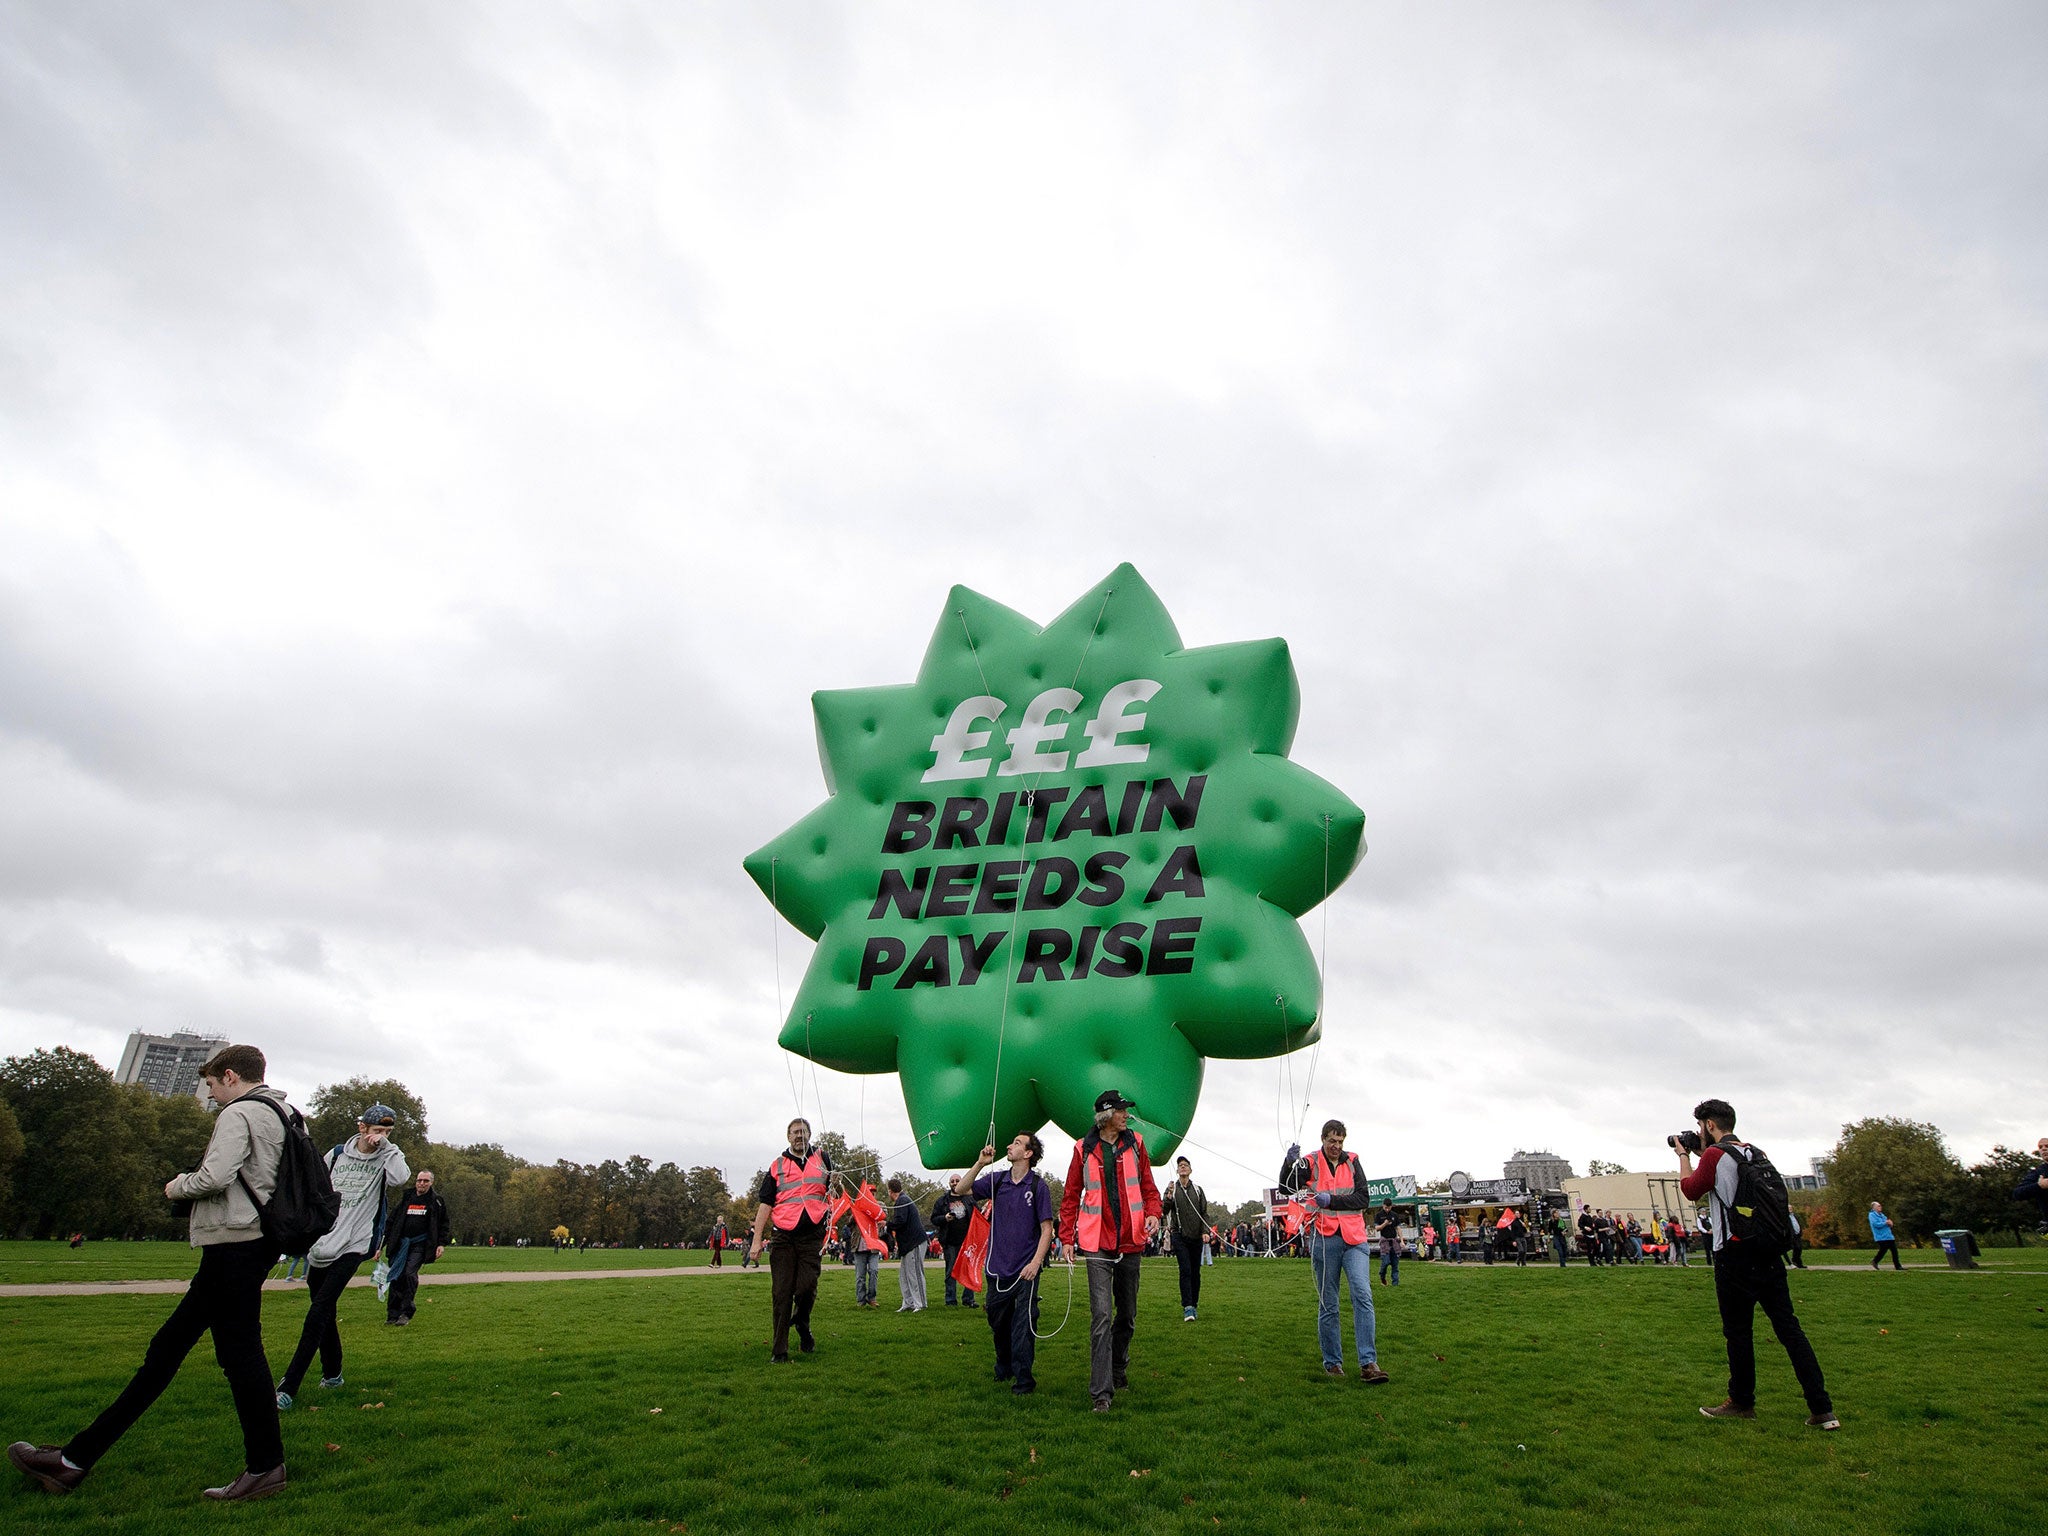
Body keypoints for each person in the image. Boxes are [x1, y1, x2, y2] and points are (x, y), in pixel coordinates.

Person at [7, 1044, 292, 1501]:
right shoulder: (286, 1112)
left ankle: (264, 1467)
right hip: (256, 1244)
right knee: (183, 1351)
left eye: (213, 1085)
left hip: (231, 1243)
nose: (212, 1095)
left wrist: (176, 1186)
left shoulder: (239, 1114)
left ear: (232, 1076)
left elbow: (215, 1177)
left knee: (227, 1356)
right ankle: (74, 1459)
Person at [1676, 1098, 1838, 1430]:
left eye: (1700, 1127)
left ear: (1709, 1125)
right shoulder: (1755, 1152)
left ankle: (1741, 1402)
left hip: (1734, 1253)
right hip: (1767, 1251)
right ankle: (1822, 1409)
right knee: (1789, 1329)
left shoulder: (1714, 1154)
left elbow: (1691, 1190)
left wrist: (1682, 1156)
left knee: (1738, 1332)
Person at [275, 1103, 409, 1409]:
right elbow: (315, 1189)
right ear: (362, 1128)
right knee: (324, 1311)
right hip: (323, 1243)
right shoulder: (336, 1155)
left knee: (317, 1313)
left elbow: (401, 1178)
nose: (381, 1136)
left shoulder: (387, 1158)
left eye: (387, 1132)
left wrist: (387, 1147)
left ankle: (288, 1386)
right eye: (377, 1130)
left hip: (355, 1243)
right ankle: (333, 1374)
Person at [1057, 1089, 1162, 1411]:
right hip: (1096, 1244)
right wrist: (1066, 1239)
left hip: (1131, 1241)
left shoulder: (1137, 1143)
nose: (1127, 1115)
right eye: (1121, 1110)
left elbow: (1148, 1187)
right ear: (1106, 1115)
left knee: (1127, 1316)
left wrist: (1154, 1213)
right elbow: (1071, 1196)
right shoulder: (1082, 1149)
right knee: (1101, 1316)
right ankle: (1101, 1393)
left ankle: (1119, 1368)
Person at [1279, 1120, 1389, 1385]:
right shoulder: (1311, 1162)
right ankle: (1333, 1363)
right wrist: (1287, 1163)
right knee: (1329, 1302)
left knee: (1362, 1295)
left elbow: (1363, 1199)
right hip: (1325, 1238)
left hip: (1354, 1239)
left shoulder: (1353, 1161)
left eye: (1340, 1142)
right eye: (1332, 1141)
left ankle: (1368, 1363)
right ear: (1323, 1139)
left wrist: (1332, 1200)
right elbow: (1286, 1187)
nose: (1336, 1146)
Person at [961, 1133, 1056, 1395]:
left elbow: (1046, 1229)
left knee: (1023, 1325)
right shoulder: (998, 1180)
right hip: (997, 1267)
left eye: (1016, 1143)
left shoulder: (1038, 1186)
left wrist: (1036, 1264)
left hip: (1026, 1270)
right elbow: (961, 1190)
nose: (1008, 1146)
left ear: (1028, 1153)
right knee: (998, 1321)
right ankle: (1003, 1366)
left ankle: (1024, 1380)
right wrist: (980, 1163)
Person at [746, 1116, 833, 1361]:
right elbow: (765, 1204)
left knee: (807, 1288)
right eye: (795, 1132)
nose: (799, 1136)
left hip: (811, 1236)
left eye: (803, 1132)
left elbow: (833, 1192)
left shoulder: (823, 1159)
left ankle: (802, 1325)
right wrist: (756, 1240)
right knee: (782, 1292)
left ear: (810, 1135)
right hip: (783, 1236)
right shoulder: (777, 1166)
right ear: (788, 1137)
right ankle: (779, 1350)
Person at [382, 1168, 449, 1326]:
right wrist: (381, 1244)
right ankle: (393, 1313)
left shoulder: (436, 1201)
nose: (422, 1183)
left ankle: (406, 1312)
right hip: (401, 1244)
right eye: (419, 1180)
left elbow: (443, 1224)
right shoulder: (407, 1197)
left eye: (425, 1181)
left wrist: (441, 1244)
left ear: (431, 1183)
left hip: (420, 1244)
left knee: (409, 1274)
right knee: (396, 1275)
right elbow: (392, 1221)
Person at [1163, 1155, 1211, 1320]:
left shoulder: (1198, 1190)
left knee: (1195, 1272)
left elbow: (1204, 1213)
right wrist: (1168, 1197)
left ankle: (1194, 1304)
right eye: (1180, 1165)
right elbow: (1164, 1209)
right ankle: (1188, 1307)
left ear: (1190, 1170)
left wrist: (1205, 1231)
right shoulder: (1172, 1189)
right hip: (1179, 1235)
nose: (1182, 1167)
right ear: (1177, 1171)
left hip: (1196, 1236)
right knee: (1185, 1270)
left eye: (1185, 1165)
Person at [930, 1177, 977, 1308]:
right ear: (949, 1183)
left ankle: (969, 1299)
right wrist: (944, 1218)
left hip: (967, 1242)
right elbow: (933, 1218)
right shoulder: (942, 1201)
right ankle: (950, 1300)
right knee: (950, 1271)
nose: (955, 1183)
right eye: (952, 1181)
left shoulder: (969, 1199)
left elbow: (977, 1216)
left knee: (968, 1271)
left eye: (958, 1180)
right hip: (950, 1241)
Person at [887, 1176, 928, 1312]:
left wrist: (887, 1224)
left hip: (914, 1242)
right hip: (908, 1244)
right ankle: (908, 1302)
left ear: (890, 1191)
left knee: (914, 1273)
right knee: (904, 1275)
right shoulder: (903, 1200)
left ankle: (920, 1303)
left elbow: (900, 1221)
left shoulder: (902, 1201)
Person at [1865, 1202, 1903, 1270]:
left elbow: (1887, 1224)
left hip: (1889, 1236)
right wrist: (1885, 1222)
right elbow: (1876, 1224)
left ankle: (1898, 1266)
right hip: (1881, 1237)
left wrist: (1890, 1224)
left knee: (1894, 1251)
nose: (1880, 1207)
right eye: (1878, 1206)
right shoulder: (1872, 1215)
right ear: (1874, 1207)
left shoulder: (1882, 1215)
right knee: (1883, 1250)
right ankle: (1875, 1261)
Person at [1374, 1199, 1401, 1286]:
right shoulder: (1379, 1215)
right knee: (1385, 1262)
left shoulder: (1394, 1215)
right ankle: (1382, 1276)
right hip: (1384, 1241)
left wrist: (1402, 1240)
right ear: (1383, 1206)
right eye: (1386, 1208)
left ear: (1391, 1206)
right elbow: (1377, 1228)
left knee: (1395, 1263)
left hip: (1394, 1240)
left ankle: (1395, 1283)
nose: (1387, 1210)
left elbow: (1398, 1228)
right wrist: (1384, 1224)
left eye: (1389, 1208)